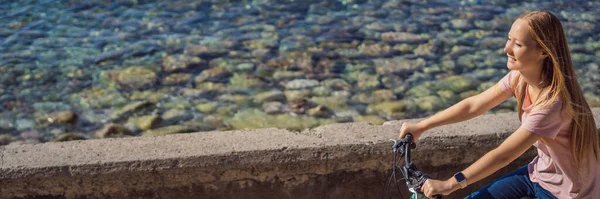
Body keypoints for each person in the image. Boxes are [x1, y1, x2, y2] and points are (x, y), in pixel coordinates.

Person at [398, 10, 599, 199]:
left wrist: (451, 183)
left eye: (518, 44)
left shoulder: (552, 105)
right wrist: (422, 126)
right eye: (509, 39)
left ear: (543, 51)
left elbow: (504, 155)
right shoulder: (519, 79)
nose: (506, 48)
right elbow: (473, 105)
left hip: (566, 192)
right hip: (540, 174)